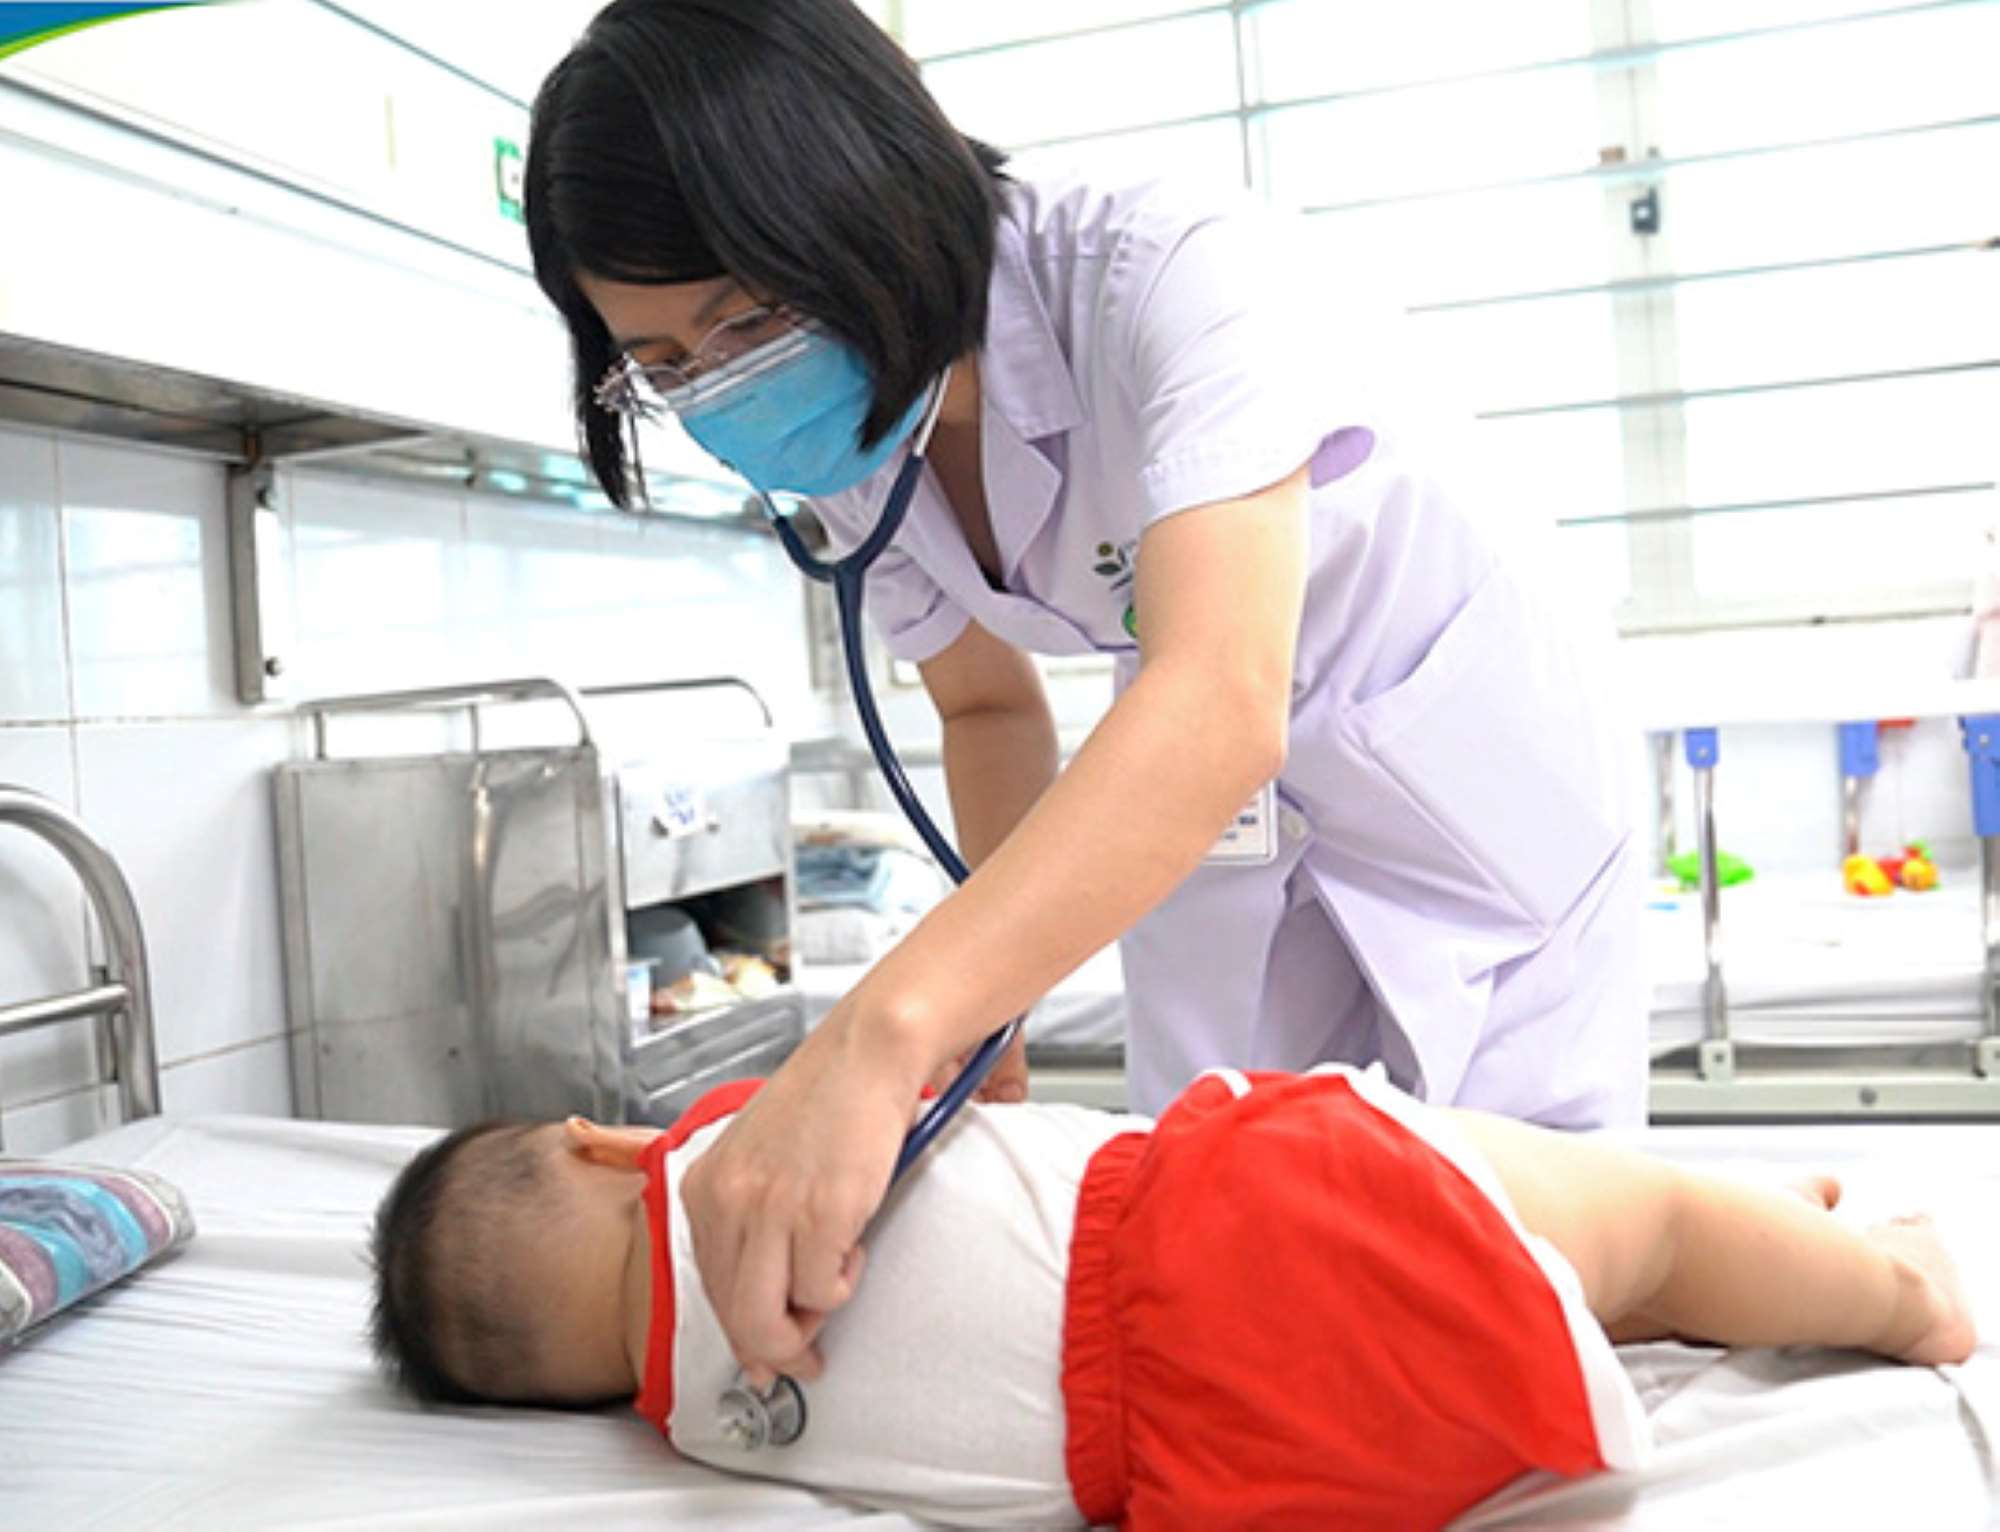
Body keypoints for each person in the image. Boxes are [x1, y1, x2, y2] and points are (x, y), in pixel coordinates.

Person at [523, 0, 1648, 1387]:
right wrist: (991, 1005)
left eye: (746, 320)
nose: (724, 389)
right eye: (669, 364)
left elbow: (1220, 692)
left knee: (1526, 1271)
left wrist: (895, 1027)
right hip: (1215, 811)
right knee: (1244, 1263)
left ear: (865, 194)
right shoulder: (854, 441)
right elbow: (989, 710)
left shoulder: (1169, 267)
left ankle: (1865, 1272)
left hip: (1459, 777)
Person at [369, 1069, 1975, 1531]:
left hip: (1220, 1467)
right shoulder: (733, 1153)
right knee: (1646, 1225)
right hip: (1225, 1229)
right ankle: (1892, 1293)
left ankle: (1730, 1264)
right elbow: (915, 1063)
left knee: (1524, 1293)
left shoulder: (718, 1442)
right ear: (602, 1142)